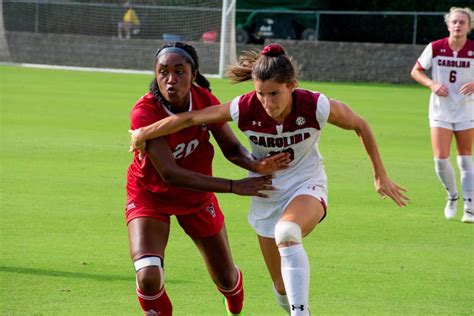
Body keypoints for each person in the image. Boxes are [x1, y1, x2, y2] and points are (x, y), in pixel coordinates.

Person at [129, 43, 409, 315]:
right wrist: (145, 132)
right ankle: (291, 307)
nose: (267, 102)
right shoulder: (244, 107)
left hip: (304, 182)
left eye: (274, 93)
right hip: (264, 190)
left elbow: (359, 124)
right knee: (280, 287)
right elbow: (188, 126)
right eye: (261, 94)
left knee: (286, 234)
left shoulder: (315, 106)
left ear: (292, 85)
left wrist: (380, 175)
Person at [125, 42, 291, 316]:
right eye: (163, 71)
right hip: (149, 197)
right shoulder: (144, 112)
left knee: (226, 279)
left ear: (193, 73)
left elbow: (231, 147)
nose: (171, 79)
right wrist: (233, 187)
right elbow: (170, 173)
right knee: (148, 275)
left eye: (179, 71)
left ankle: (233, 296)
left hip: (197, 199)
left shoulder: (204, 100)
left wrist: (255, 164)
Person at [410, 7, 474, 223]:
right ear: (448, 25)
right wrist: (432, 84)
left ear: (469, 26)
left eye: (462, 22)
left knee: (465, 158)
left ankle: (469, 206)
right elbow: (416, 71)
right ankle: (452, 196)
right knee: (440, 159)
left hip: (467, 110)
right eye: (454, 22)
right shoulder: (436, 48)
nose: (458, 25)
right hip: (441, 110)